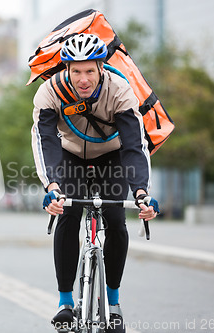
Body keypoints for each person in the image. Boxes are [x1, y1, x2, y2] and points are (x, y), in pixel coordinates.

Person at [31, 33, 159, 332]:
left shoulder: (121, 91)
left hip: (112, 157)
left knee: (115, 218)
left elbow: (134, 146)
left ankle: (113, 304)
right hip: (69, 156)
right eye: (76, 71)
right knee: (68, 212)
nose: (83, 79)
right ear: (66, 69)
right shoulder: (49, 93)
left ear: (101, 66)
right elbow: (45, 141)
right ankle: (65, 302)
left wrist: (141, 192)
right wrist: (52, 187)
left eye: (90, 70)